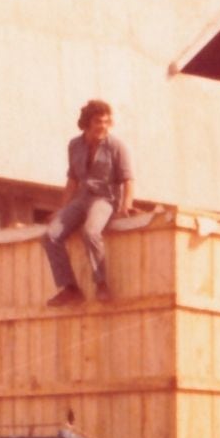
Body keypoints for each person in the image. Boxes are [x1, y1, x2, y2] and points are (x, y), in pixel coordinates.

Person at [42, 99, 134, 306]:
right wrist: (63, 209)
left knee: (91, 232)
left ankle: (101, 284)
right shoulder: (74, 145)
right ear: (86, 123)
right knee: (51, 235)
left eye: (106, 122)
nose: (102, 126)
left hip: (105, 199)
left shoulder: (116, 146)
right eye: (98, 122)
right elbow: (73, 180)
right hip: (81, 198)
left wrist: (126, 206)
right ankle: (70, 289)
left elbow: (128, 179)